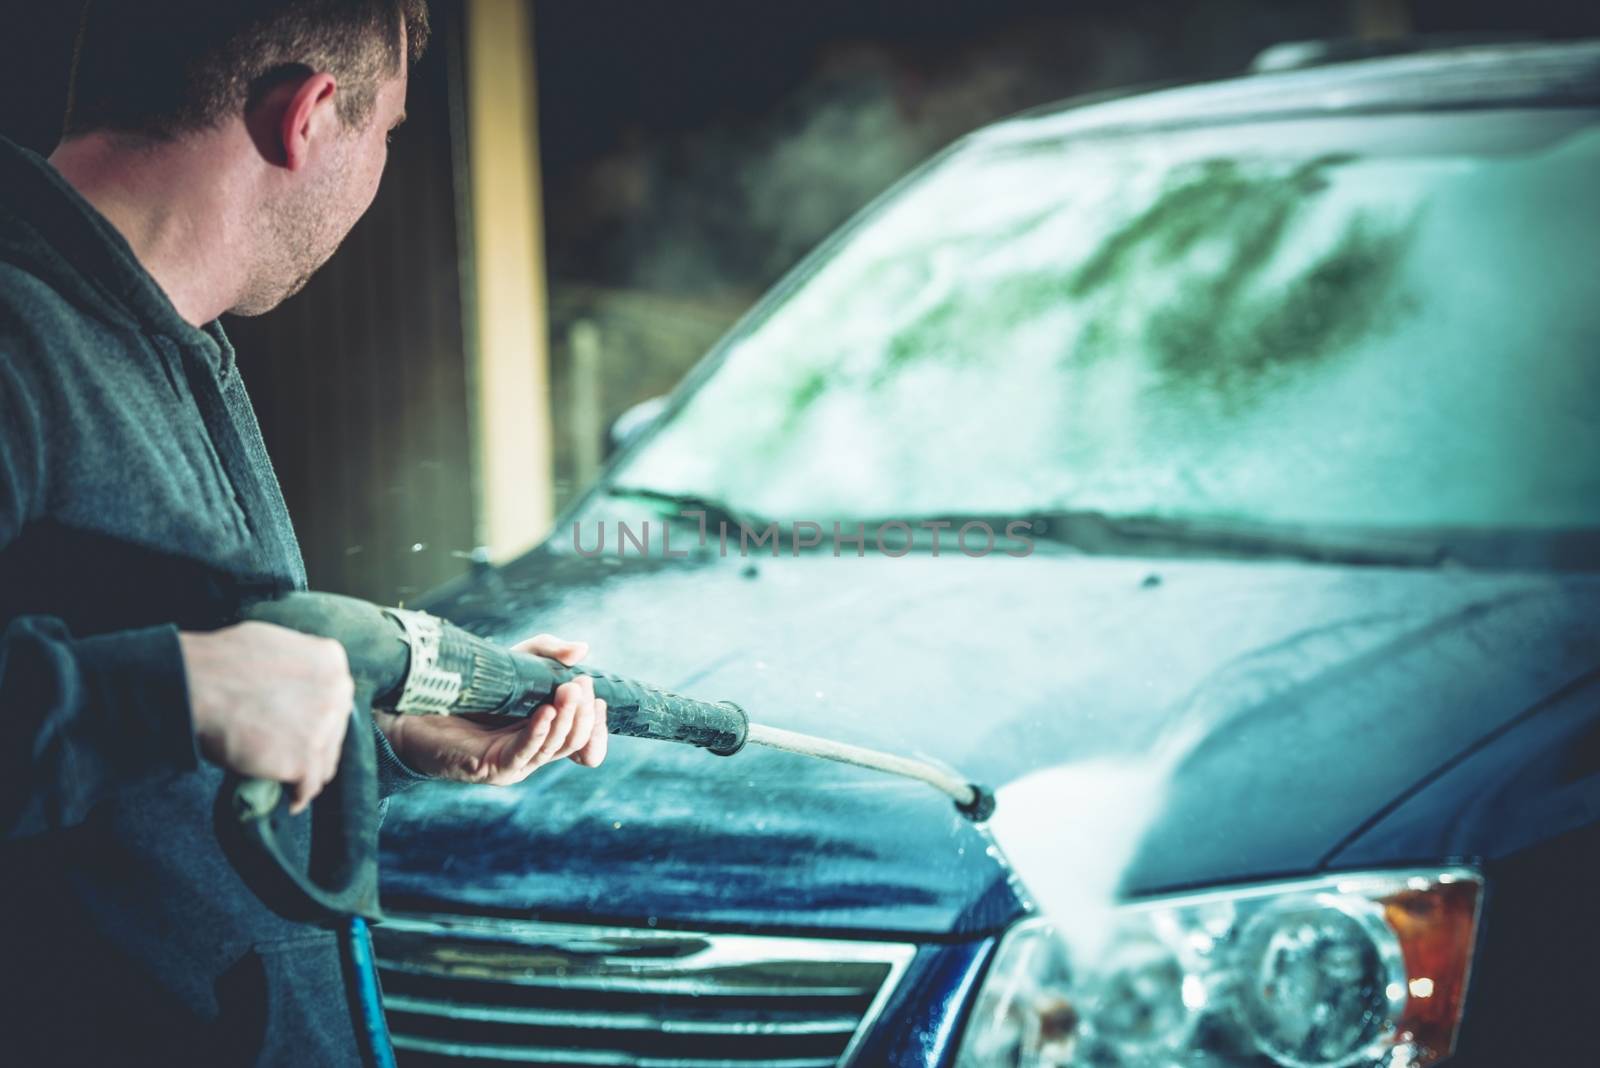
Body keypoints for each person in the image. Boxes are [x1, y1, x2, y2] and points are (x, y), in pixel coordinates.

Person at [0, 2, 607, 1063]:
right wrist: (182, 691)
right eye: (389, 134)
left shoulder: (175, 340)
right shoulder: (19, 333)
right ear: (310, 116)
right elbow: (168, 693)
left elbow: (142, 743)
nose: (378, 170)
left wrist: (378, 735)